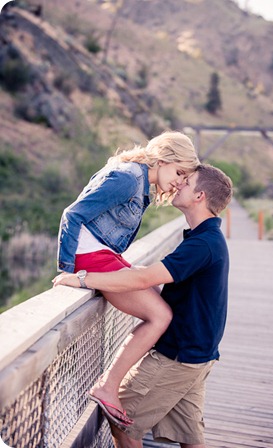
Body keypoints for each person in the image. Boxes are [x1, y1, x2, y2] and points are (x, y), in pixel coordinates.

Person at [53, 163, 233, 447]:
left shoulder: (203, 244)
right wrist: (131, 272)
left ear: (199, 196)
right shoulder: (205, 238)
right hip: (199, 355)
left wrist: (84, 279)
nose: (178, 185)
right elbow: (158, 278)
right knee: (190, 438)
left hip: (178, 356)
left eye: (186, 182)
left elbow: (145, 278)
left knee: (123, 423)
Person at [56, 130, 199, 427]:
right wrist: (69, 270)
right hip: (91, 256)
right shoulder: (127, 178)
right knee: (160, 315)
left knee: (158, 295)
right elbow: (73, 214)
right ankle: (109, 387)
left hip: (103, 254)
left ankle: (144, 385)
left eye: (185, 178)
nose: (179, 182)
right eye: (179, 172)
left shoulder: (141, 180)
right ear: (163, 159)